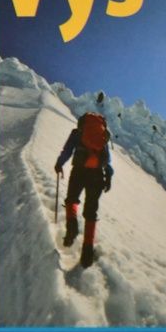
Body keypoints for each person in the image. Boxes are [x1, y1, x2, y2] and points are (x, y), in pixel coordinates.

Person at [54, 112, 113, 268]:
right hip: (97, 175)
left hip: (78, 171)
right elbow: (107, 160)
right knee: (91, 212)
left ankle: (72, 225)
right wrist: (108, 176)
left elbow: (67, 151)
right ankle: (87, 252)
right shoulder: (103, 137)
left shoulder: (77, 133)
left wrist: (59, 164)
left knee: (71, 199)